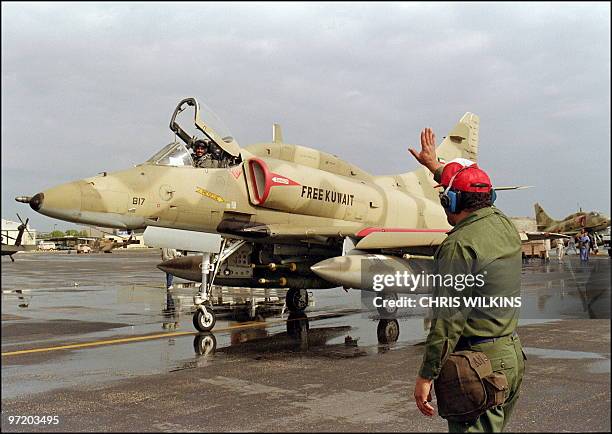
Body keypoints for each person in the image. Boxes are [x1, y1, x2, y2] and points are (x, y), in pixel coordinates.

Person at [409, 128, 524, 432]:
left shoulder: (459, 245)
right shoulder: (502, 223)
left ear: (452, 202)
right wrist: (435, 167)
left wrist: (426, 375)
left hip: (479, 367)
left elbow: (448, 320)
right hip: (510, 357)